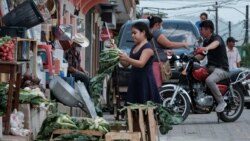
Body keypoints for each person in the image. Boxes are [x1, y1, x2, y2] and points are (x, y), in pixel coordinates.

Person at [118, 22, 161, 104]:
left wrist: (127, 58)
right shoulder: (134, 47)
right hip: (134, 81)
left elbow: (141, 64)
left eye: (135, 33)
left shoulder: (148, 47)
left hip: (145, 82)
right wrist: (119, 56)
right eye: (132, 33)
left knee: (145, 110)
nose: (132, 35)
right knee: (133, 110)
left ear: (143, 32)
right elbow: (126, 64)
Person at [195, 20, 229, 112]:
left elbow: (215, 44)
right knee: (196, 72)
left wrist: (206, 48)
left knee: (209, 80)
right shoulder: (206, 41)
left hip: (221, 69)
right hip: (210, 67)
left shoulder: (217, 38)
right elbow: (201, 56)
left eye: (202, 29)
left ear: (208, 30)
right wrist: (191, 57)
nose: (201, 31)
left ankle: (221, 102)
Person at [148, 16, 188, 88]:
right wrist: (183, 44)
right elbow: (169, 44)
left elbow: (154, 48)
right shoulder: (156, 32)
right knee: (157, 86)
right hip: (156, 63)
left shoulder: (149, 32)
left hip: (152, 62)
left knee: (153, 85)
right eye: (161, 25)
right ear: (157, 24)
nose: (161, 27)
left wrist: (164, 51)